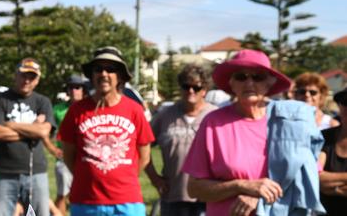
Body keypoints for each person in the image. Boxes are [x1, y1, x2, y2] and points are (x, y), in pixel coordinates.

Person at [183, 49, 324, 215]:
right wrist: (241, 186)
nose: (249, 83)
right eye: (241, 77)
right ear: (232, 84)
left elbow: (306, 180)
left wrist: (261, 197)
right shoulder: (213, 123)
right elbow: (194, 188)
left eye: (258, 77)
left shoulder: (290, 121)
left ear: (269, 83)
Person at [58, 46, 155, 216]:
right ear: (92, 75)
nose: (104, 74)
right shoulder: (76, 111)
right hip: (86, 201)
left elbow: (144, 156)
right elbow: (68, 156)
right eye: (98, 69)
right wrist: (88, 176)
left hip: (127, 202)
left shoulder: (134, 110)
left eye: (110, 69)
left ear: (119, 76)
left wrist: (122, 178)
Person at [0, 58, 56, 216]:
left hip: (36, 172)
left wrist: (11, 124)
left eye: (32, 77)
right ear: (15, 75)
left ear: (37, 80)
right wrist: (33, 129)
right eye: (23, 75)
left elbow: (44, 132)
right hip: (3, 172)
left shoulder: (43, 101)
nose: (27, 80)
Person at [146, 64, 216, 216]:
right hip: (173, 197)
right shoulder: (164, 115)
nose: (191, 91)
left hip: (208, 198)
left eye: (196, 87)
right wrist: (155, 179)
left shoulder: (215, 116)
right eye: (186, 86)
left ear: (204, 90)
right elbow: (143, 146)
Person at [50, 74, 88, 215]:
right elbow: (45, 132)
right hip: (63, 158)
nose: (73, 90)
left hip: (85, 158)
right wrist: (52, 148)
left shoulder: (90, 107)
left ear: (83, 89)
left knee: (83, 195)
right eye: (71, 87)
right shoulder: (58, 109)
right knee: (62, 193)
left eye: (77, 87)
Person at [319, 87, 347, 215]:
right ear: (340, 107)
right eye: (345, 101)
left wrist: (332, 188)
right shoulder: (324, 137)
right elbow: (316, 177)